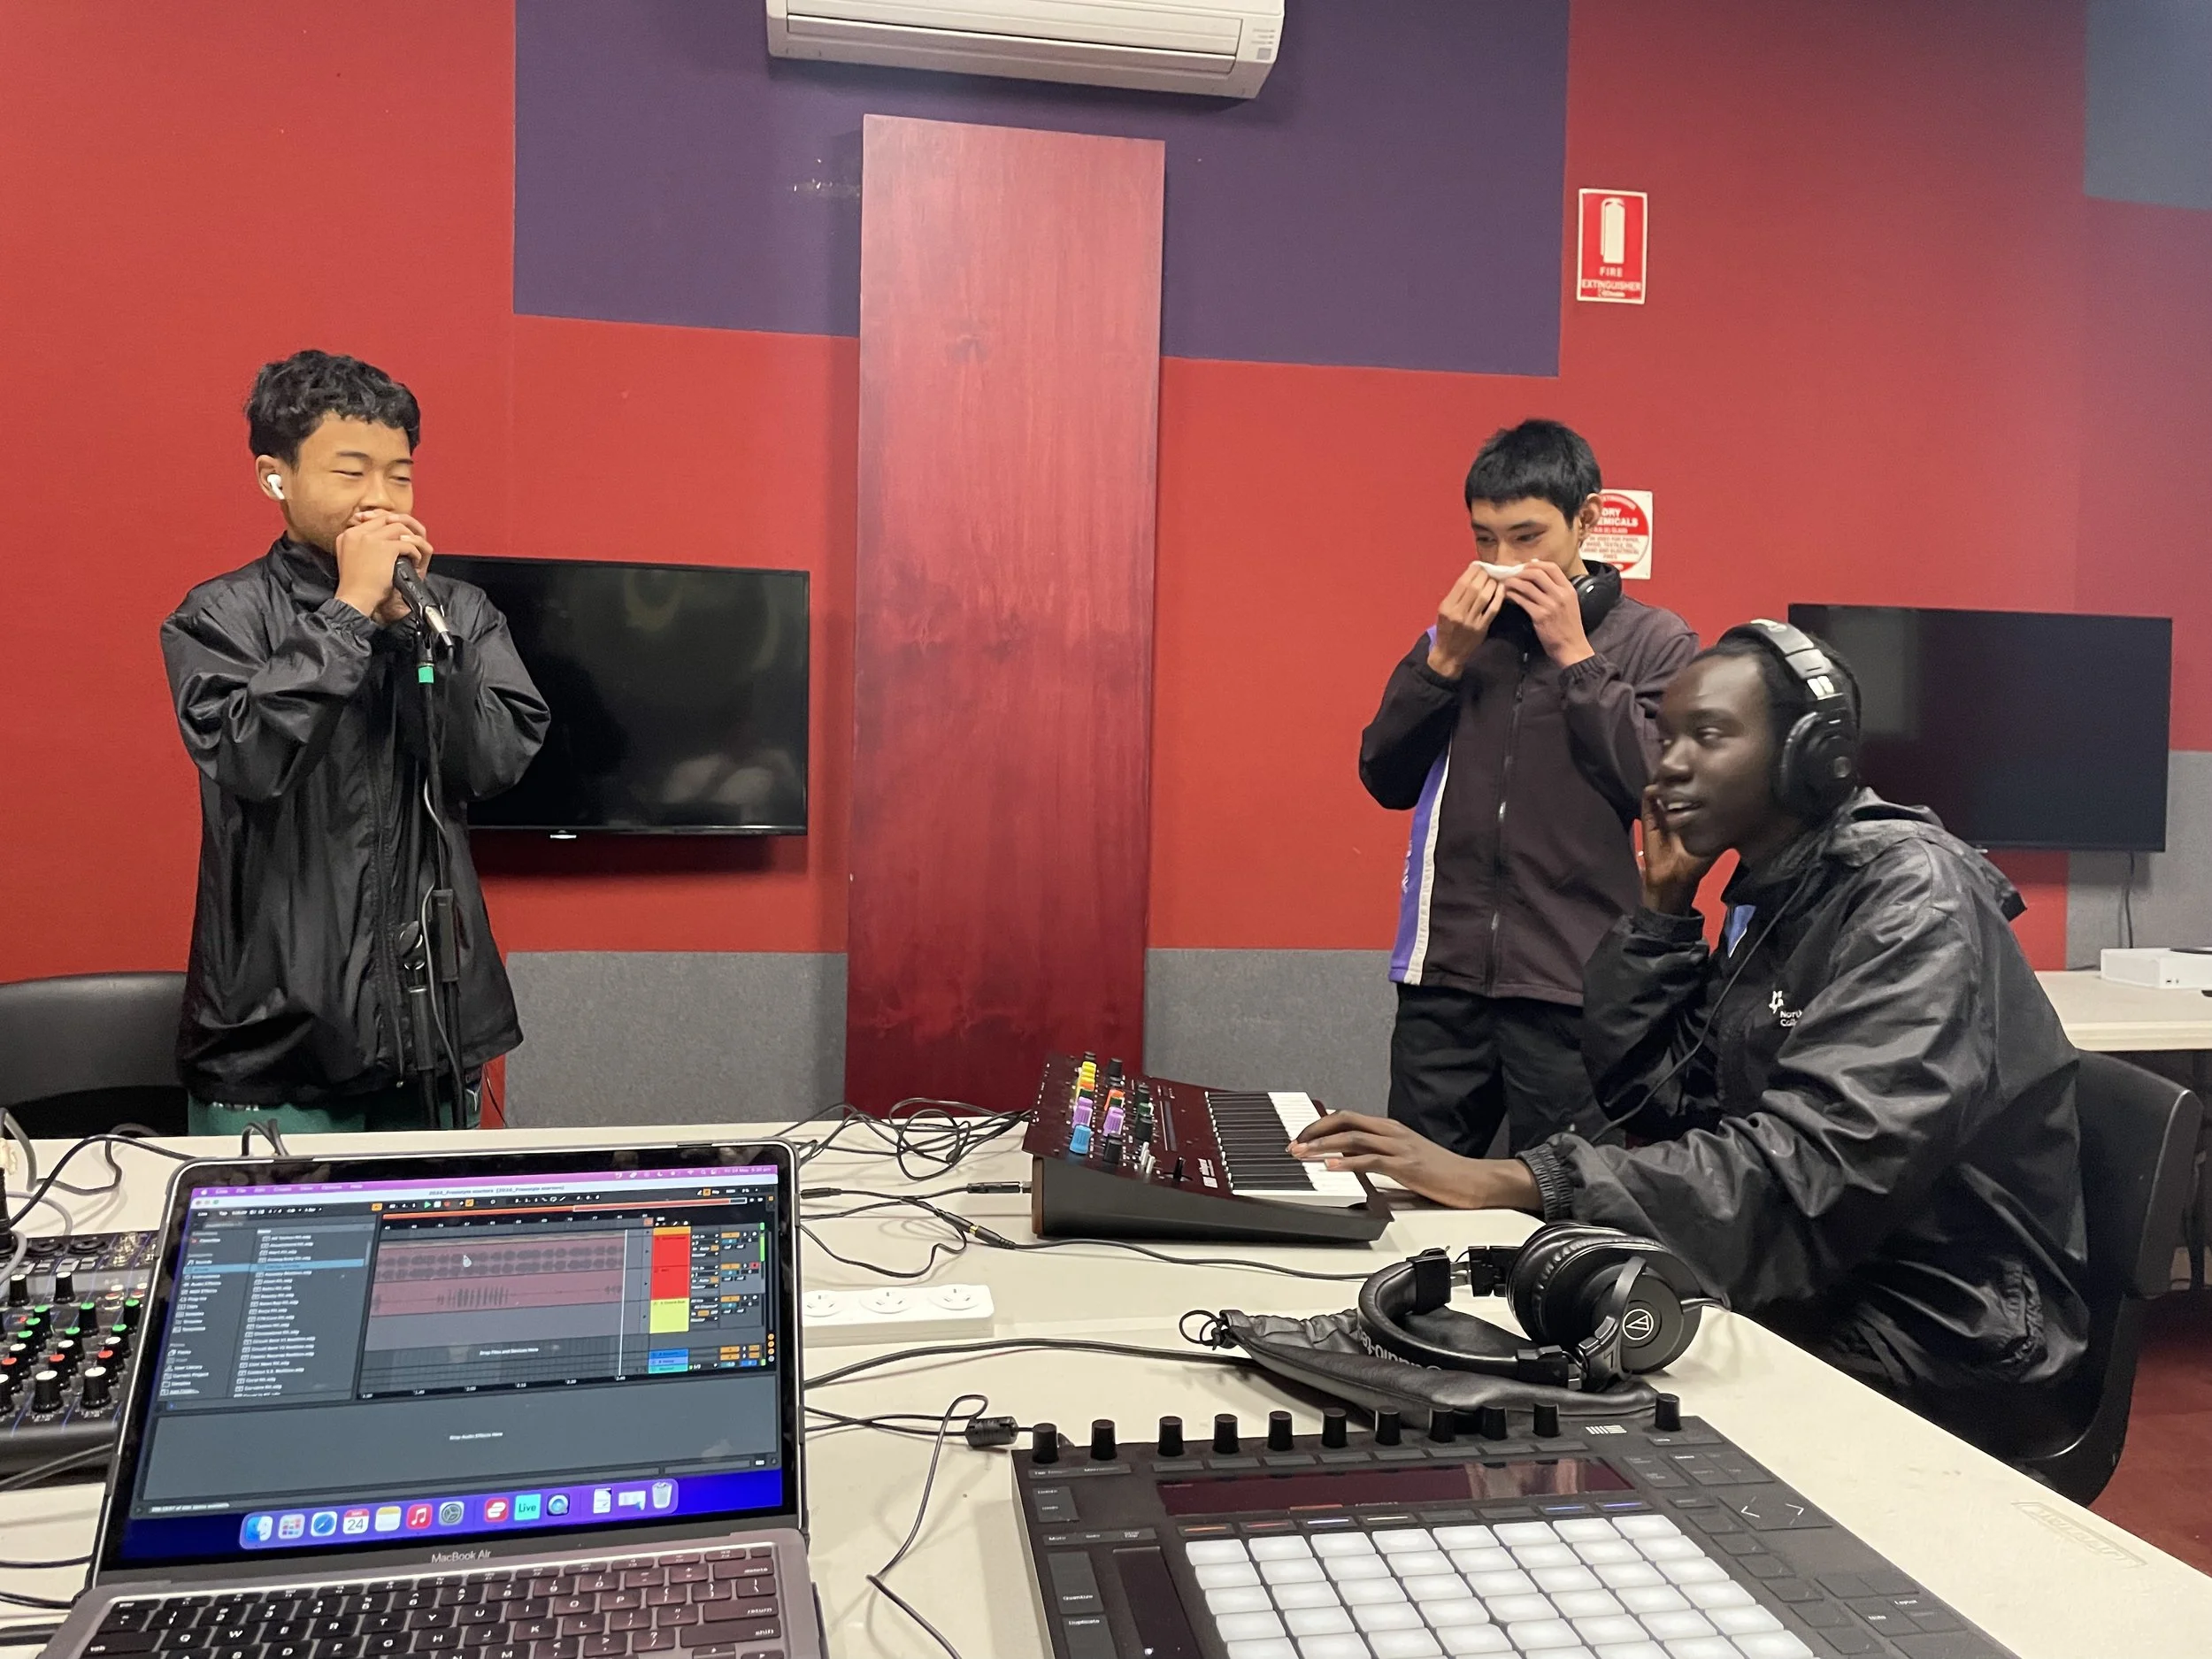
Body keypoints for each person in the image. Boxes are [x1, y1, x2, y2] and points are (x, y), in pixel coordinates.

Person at [1302, 623, 2090, 1452]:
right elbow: (1664, 1097)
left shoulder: (1914, 898)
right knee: (1500, 1354)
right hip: (1829, 1275)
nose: (1667, 764)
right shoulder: (1782, 892)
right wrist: (1662, 914)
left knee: (1575, 1420)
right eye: (1667, 735)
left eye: (1707, 736)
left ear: (1810, 755)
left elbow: (1818, 1166)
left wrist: (1520, 1177)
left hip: (1949, 1320)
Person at [161, 350, 549, 1135]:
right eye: (350, 472)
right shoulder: (218, 616)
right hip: (275, 1048)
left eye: (399, 476)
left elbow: (493, 761)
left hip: (436, 1038)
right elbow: (250, 757)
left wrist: (409, 634)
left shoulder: (458, 613)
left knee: (439, 1223)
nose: (380, 498)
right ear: (275, 478)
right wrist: (347, 612)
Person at [1359, 420, 1697, 1158]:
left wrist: (1576, 656)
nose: (1504, 563)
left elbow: (1662, 792)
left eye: (1527, 537)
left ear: (1587, 518)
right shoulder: (1455, 637)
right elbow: (1383, 775)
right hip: (1442, 980)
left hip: (1573, 986)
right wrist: (1442, 664)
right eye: (1485, 540)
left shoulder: (1654, 641)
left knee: (1570, 1199)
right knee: (1412, 1191)